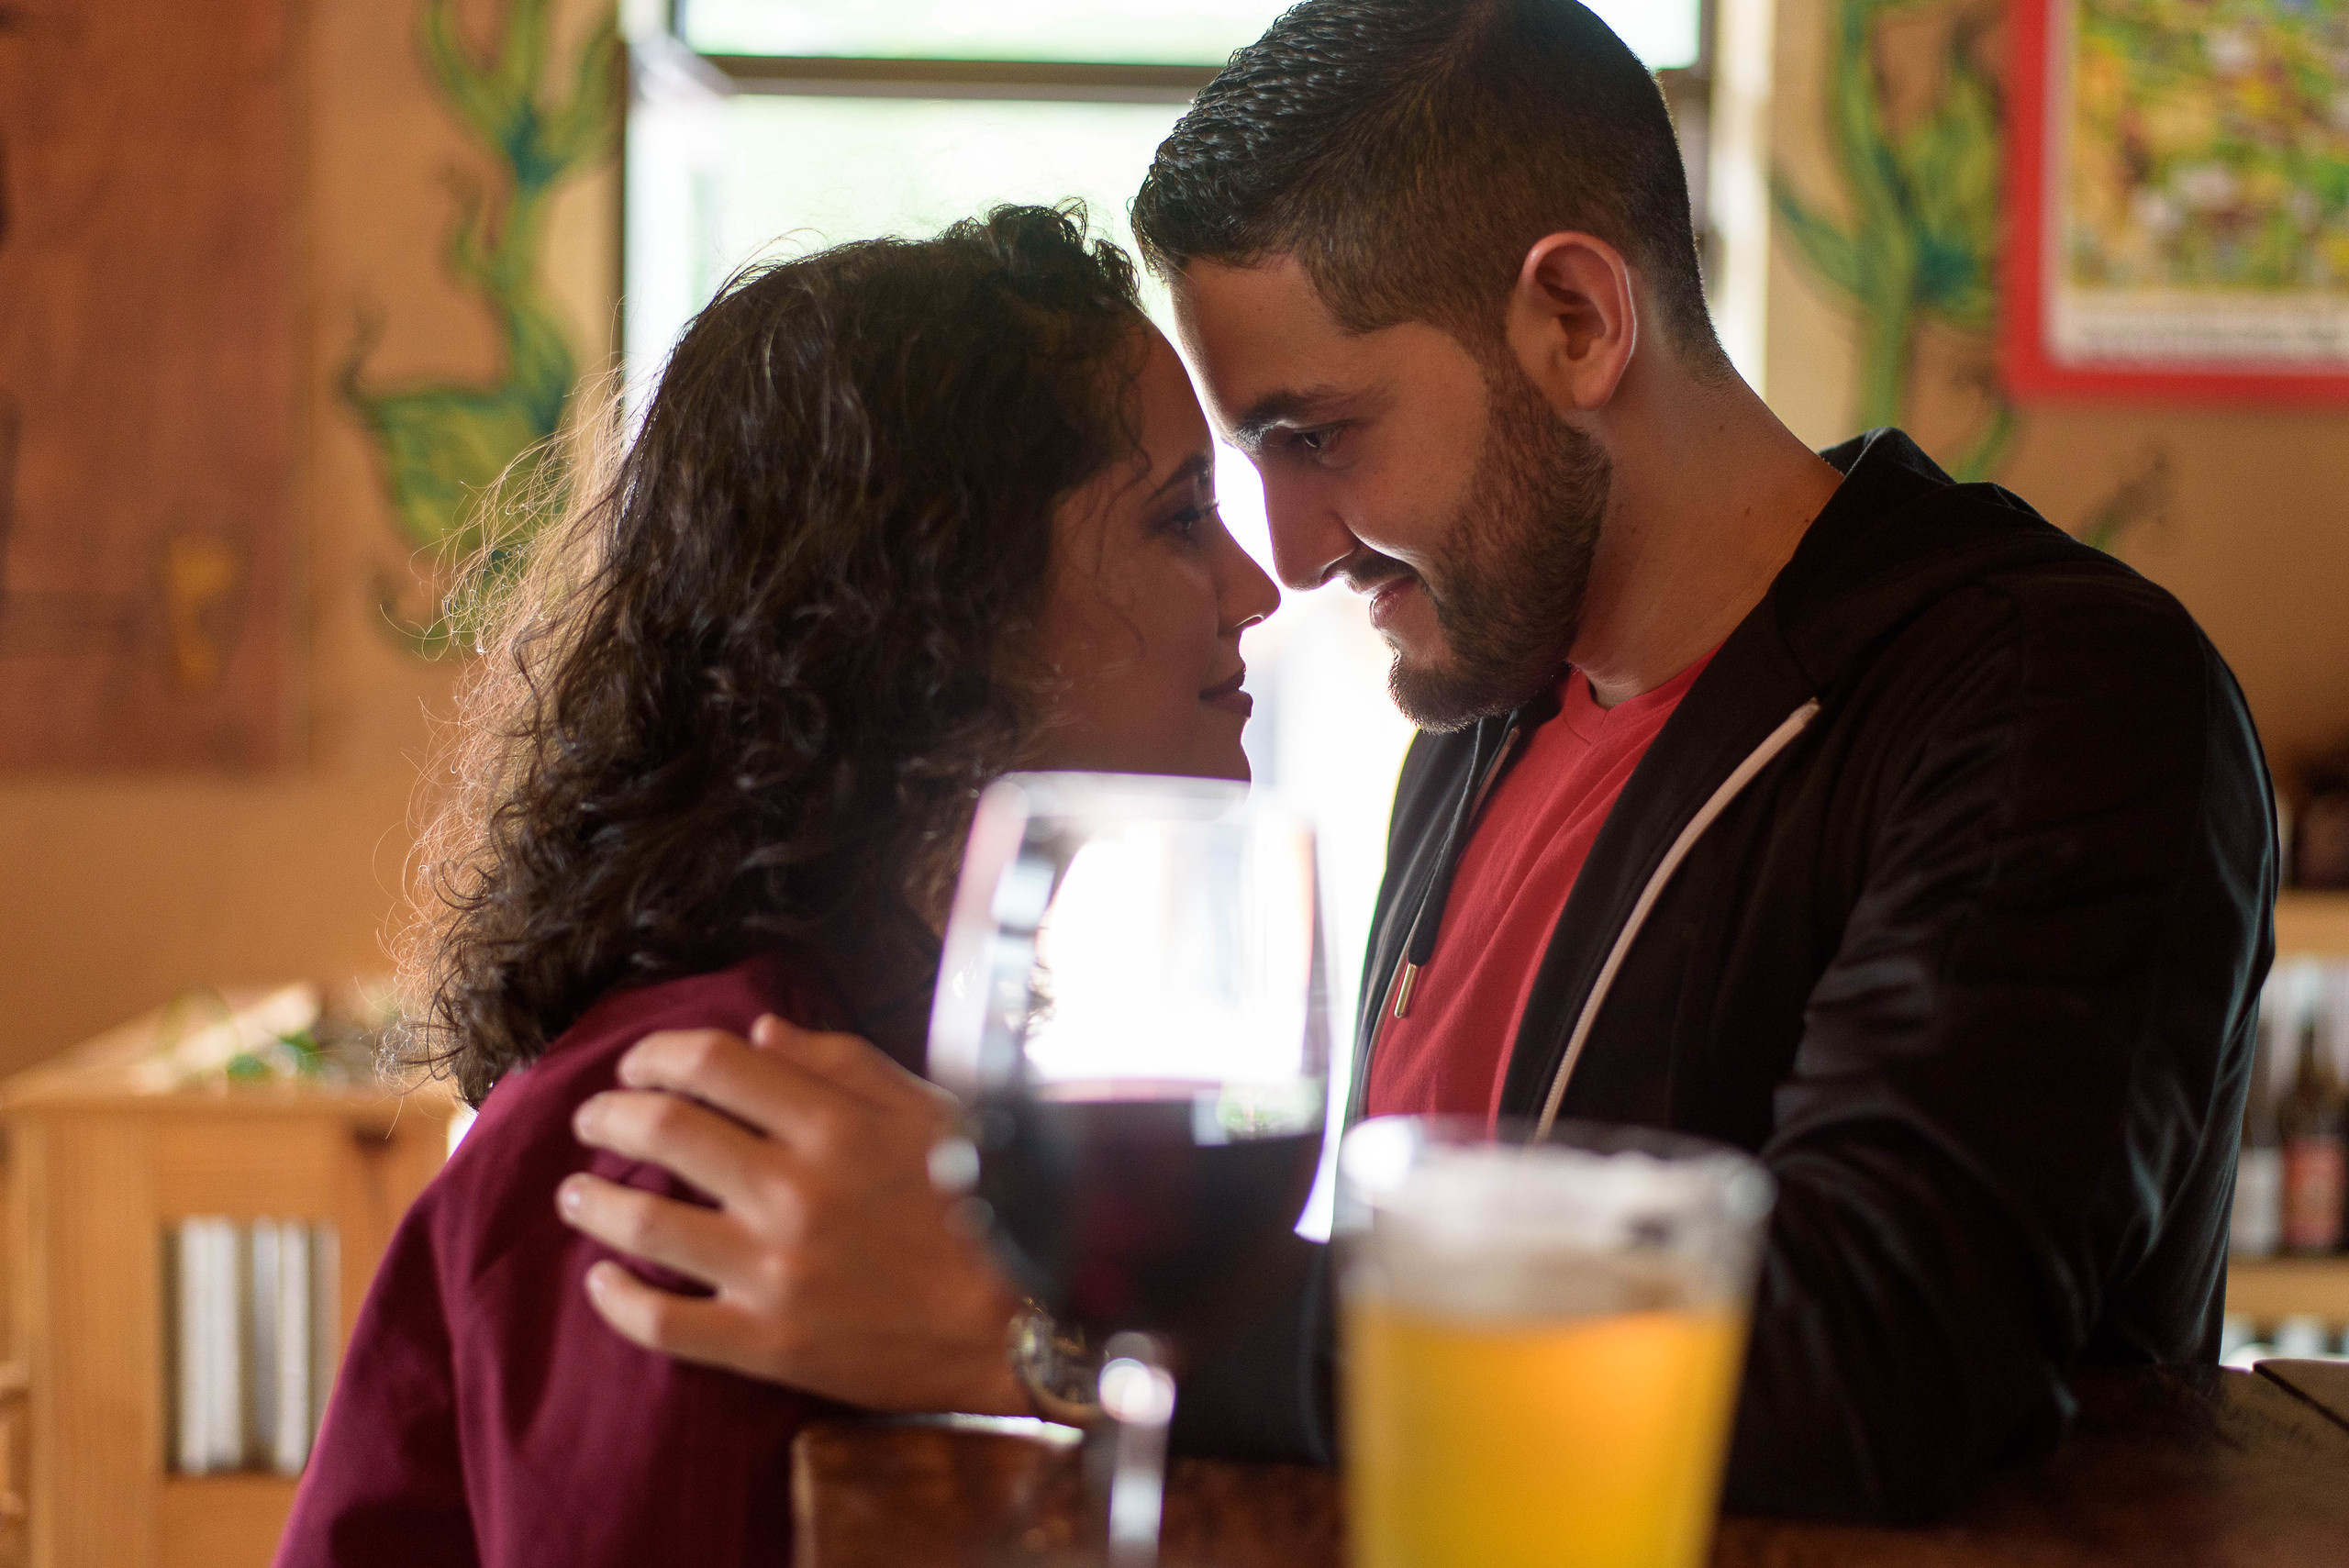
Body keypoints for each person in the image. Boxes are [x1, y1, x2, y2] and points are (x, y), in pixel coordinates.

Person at [555, 0, 2276, 1525]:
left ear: (1579, 320)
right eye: (1240, 462)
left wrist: (1044, 1322)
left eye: (1318, 436)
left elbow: (1880, 1362)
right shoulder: (1486, 705)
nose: (1288, 554)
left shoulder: (2050, 693)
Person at [272, 205, 1278, 1567]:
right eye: (1177, 517)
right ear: (945, 598)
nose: (1256, 585)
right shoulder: (700, 1118)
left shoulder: (875, 1035)